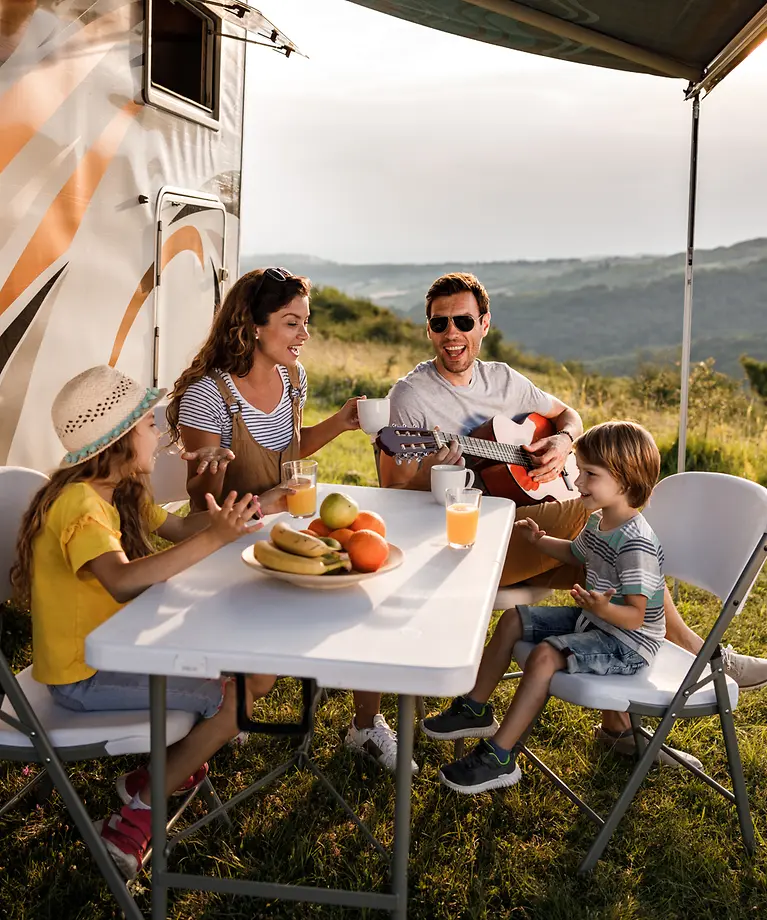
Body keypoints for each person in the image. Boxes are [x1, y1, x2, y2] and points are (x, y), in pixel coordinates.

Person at [381, 272, 767, 760]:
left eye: (463, 320)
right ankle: (711, 659)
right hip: (463, 545)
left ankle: (624, 723)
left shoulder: (502, 379)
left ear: (484, 323)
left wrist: (562, 443)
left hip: (528, 533)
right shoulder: (412, 396)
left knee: (620, 566)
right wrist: (434, 469)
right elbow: (394, 490)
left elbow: (569, 418)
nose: (452, 333)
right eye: (440, 323)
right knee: (619, 532)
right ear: (429, 328)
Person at [10, 365, 276, 879]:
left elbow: (180, 527)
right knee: (238, 695)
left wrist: (257, 506)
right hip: (82, 675)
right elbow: (123, 580)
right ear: (119, 441)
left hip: (119, 650)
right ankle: (139, 809)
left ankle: (159, 774)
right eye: (148, 424)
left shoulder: (117, 493)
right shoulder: (80, 506)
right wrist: (217, 539)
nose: (158, 430)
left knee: (254, 676)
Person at [166, 267, 417, 774]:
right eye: (291, 322)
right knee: (288, 643)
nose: (305, 335)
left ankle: (364, 723)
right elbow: (202, 502)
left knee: (363, 592)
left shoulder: (291, 376)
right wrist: (214, 474)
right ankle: (220, 704)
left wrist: (343, 422)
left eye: (306, 321)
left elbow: (290, 449)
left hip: (282, 528)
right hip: (221, 544)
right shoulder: (208, 393)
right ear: (253, 325)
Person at [423, 421, 667, 792]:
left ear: (626, 481)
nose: (579, 482)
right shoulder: (600, 519)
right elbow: (574, 552)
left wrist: (602, 609)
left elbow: (635, 617)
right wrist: (540, 541)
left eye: (590, 475)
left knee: (544, 656)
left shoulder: (637, 545)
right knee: (513, 620)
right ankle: (475, 707)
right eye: (581, 471)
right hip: (596, 621)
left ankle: (501, 756)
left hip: (628, 644)